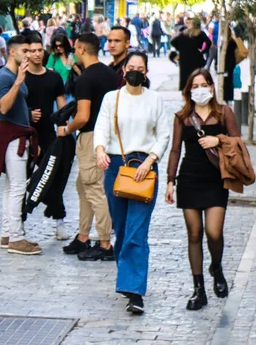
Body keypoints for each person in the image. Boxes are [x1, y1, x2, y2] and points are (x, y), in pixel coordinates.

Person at [94, 51, 170, 314]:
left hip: (145, 168)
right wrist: (100, 149)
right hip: (116, 166)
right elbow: (101, 127)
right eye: (131, 67)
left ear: (146, 72)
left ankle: (135, 292)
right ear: (124, 70)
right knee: (122, 230)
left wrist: (151, 160)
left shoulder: (155, 100)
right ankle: (128, 279)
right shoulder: (111, 99)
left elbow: (163, 135)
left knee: (137, 231)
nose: (136, 71)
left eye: (141, 67)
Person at [166, 68, 240, 310]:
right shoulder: (182, 117)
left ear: (211, 87)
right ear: (189, 90)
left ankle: (216, 268)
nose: (199, 89)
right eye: (194, 86)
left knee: (214, 232)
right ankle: (199, 289)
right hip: (189, 179)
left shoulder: (224, 112)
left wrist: (218, 140)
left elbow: (238, 142)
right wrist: (170, 180)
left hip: (217, 178)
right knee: (194, 234)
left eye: (204, 85)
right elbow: (175, 149)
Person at [57, 33, 118, 261]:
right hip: (107, 136)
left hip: (91, 137)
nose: (73, 53)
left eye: (75, 49)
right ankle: (83, 237)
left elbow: (82, 117)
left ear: (82, 49)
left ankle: (104, 244)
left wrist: (67, 129)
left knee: (94, 190)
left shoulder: (85, 80)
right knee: (83, 186)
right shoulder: (110, 74)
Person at [0, 35, 42, 255]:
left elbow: (17, 105)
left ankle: (8, 234)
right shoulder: (4, 77)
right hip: (12, 137)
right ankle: (16, 238)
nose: (29, 55)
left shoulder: (13, 75)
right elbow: (3, 107)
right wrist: (19, 82)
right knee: (18, 188)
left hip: (20, 133)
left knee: (11, 187)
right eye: (25, 51)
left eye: (31, 51)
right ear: (12, 52)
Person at [25, 36, 68, 239]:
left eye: (40, 50)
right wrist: (27, 113)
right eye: (32, 50)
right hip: (24, 136)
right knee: (22, 182)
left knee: (52, 178)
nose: (36, 54)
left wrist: (65, 128)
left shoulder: (53, 78)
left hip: (48, 135)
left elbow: (62, 106)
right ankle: (19, 221)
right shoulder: (21, 77)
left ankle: (59, 222)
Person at [171, 17, 212, 91]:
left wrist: (180, 48)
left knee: (185, 77)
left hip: (184, 58)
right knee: (195, 76)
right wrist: (203, 51)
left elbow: (173, 42)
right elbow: (208, 42)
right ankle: (195, 89)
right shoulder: (200, 33)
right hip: (195, 58)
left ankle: (185, 91)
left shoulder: (184, 33)